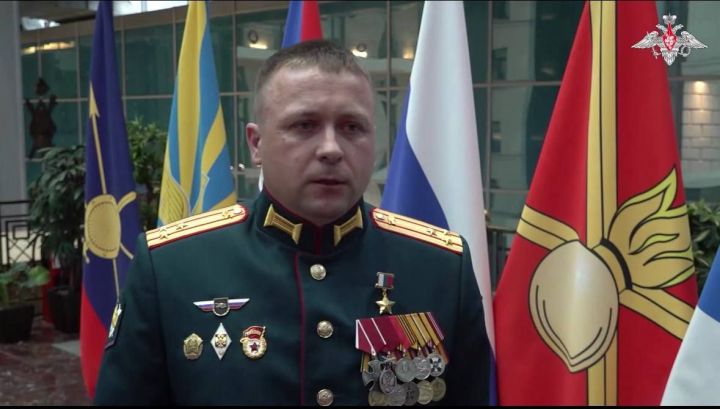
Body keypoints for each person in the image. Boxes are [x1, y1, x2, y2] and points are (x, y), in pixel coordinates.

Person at [94, 40, 490, 406]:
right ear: (256, 144)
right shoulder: (171, 266)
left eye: (352, 127)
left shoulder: (440, 266)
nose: (331, 149)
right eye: (304, 125)